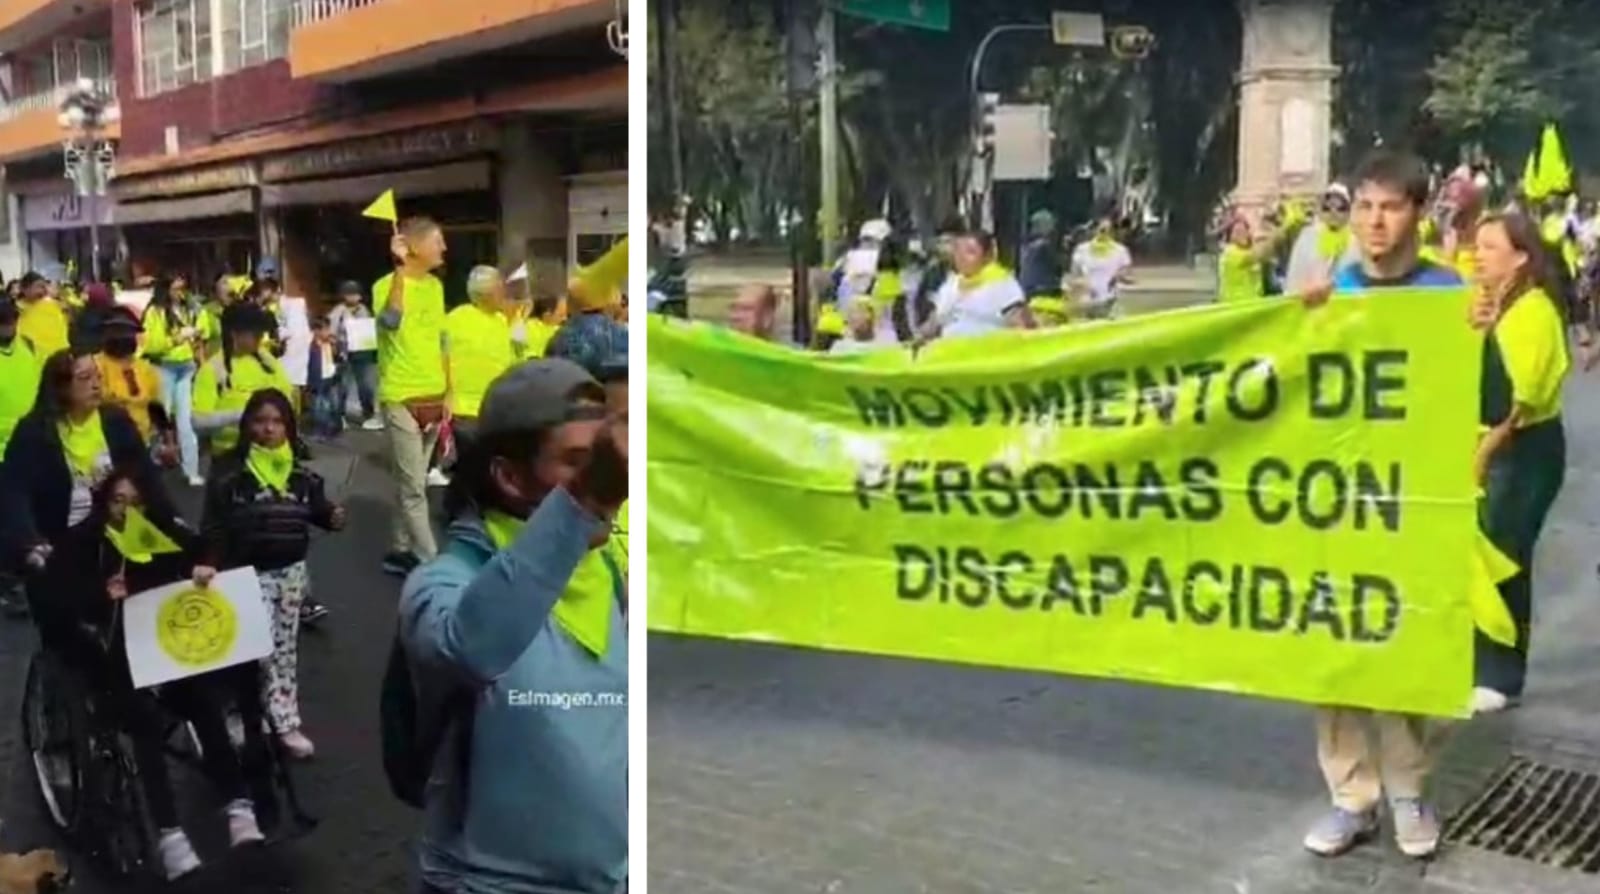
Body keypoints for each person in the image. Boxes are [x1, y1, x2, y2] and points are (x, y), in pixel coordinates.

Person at [399, 358, 626, 894]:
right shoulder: (443, 584)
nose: (606, 485)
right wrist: (583, 503)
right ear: (509, 476)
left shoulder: (609, 570)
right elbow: (468, 648)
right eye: (577, 463)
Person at [1298, 151, 1460, 861]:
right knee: (1335, 652)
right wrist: (1301, 326)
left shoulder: (1447, 294)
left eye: (1390, 206)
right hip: (1338, 506)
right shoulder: (1333, 291)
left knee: (1402, 645)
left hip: (1411, 505)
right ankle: (1350, 796)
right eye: (1364, 206)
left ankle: (1408, 790)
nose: (1374, 220)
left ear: (1418, 214)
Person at [34, 467, 269, 880]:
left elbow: (204, 547)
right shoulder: (82, 543)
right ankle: (169, 833)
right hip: (107, 659)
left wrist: (204, 567)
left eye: (135, 502)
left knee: (202, 701)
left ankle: (238, 805)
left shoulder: (160, 532)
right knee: (142, 721)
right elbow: (58, 599)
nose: (127, 510)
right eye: (118, 501)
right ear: (104, 503)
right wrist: (100, 595)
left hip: (162, 652)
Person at [201, 389, 345, 759]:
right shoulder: (230, 473)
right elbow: (214, 524)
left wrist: (330, 517)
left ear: (288, 427)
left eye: (277, 422)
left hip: (291, 575)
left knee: (283, 653)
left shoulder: (301, 474)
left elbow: (316, 509)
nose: (268, 429)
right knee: (251, 652)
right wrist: (210, 561)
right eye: (260, 421)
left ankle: (285, 723)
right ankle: (240, 717)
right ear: (247, 425)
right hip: (246, 575)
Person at [1465, 213, 1570, 714]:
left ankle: (1501, 675)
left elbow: (1518, 402)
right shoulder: (1498, 305)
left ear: (1521, 256)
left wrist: (1484, 454)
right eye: (1476, 245)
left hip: (1522, 451)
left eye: (1490, 246)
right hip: (1498, 445)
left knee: (1504, 557)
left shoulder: (1532, 311)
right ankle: (1483, 661)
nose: (1477, 253)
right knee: (1485, 554)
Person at [375, 217, 452, 578]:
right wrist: (399, 269)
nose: (444, 248)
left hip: (434, 396)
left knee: (414, 482)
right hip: (400, 396)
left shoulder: (436, 286)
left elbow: (442, 341)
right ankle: (432, 563)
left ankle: (399, 549)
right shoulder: (385, 285)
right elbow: (390, 321)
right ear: (414, 247)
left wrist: (448, 391)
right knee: (414, 488)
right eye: (438, 241)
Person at [193, 303, 295, 458]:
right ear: (234, 334)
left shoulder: (267, 362)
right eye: (255, 333)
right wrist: (240, 415)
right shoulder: (214, 369)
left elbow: (287, 397)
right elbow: (197, 421)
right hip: (231, 456)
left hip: (271, 454)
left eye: (262, 332)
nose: (261, 337)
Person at [444, 265, 517, 468]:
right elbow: (443, 356)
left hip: (497, 408)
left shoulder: (502, 320)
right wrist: (446, 393)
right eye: (500, 289)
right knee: (473, 467)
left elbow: (511, 356)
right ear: (487, 293)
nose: (504, 294)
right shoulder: (455, 319)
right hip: (466, 410)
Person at [142, 277, 205, 486]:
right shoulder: (154, 312)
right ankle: (152, 467)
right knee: (162, 420)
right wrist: (176, 339)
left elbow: (205, 326)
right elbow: (150, 345)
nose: (180, 292)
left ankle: (191, 471)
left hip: (186, 367)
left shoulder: (188, 308)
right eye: (176, 288)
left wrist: (196, 333)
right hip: (164, 367)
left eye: (183, 288)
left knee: (186, 422)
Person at [0, 297, 41, 618]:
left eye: (11, 321)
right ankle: (9, 581)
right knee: (9, 519)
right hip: (2, 451)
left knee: (29, 516)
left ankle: (23, 574)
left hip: (31, 447)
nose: (8, 327)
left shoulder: (26, 345)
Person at [919, 230, 1034, 342]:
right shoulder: (951, 284)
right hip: (949, 353)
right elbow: (934, 323)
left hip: (984, 353)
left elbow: (1022, 327)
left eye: (970, 252)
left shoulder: (1001, 284)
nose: (961, 258)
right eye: (958, 252)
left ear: (986, 257)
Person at [94, 308, 174, 459]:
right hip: (106, 445)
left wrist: (169, 442)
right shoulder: (95, 366)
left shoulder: (146, 369)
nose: (122, 336)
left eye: (127, 332)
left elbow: (156, 407)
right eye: (116, 331)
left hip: (142, 443)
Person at [1285, 183, 1361, 295]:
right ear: (1321, 211)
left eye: (1340, 208)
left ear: (1349, 211)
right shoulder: (1308, 237)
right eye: (1327, 208)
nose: (1333, 213)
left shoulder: (1356, 241)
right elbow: (1295, 274)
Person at [328, 280, 381, 431]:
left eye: (356, 294)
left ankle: (368, 413)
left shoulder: (364, 310)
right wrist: (335, 346)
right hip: (344, 353)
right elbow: (331, 331)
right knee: (342, 385)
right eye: (349, 294)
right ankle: (340, 416)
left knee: (366, 385)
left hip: (362, 353)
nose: (353, 298)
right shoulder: (338, 311)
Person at [1068, 218, 1133, 320]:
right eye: (1102, 230)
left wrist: (1119, 277)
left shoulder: (1121, 251)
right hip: (1088, 302)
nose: (1105, 233)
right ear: (1094, 230)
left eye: (1109, 230)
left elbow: (1126, 274)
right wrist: (1081, 285)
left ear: (1113, 232)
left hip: (1110, 301)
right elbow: (1074, 276)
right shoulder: (1082, 250)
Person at [1020, 210, 1067, 323]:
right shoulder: (1044, 246)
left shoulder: (1026, 246)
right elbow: (1059, 265)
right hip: (1043, 294)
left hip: (1028, 292)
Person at [306, 316, 343, 441]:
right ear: (316, 331)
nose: (328, 332)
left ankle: (332, 428)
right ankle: (320, 430)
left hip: (330, 377)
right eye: (325, 329)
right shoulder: (312, 346)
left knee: (332, 404)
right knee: (319, 406)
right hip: (318, 379)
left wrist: (335, 346)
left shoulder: (329, 343)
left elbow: (337, 357)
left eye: (328, 329)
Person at [16, 272, 69, 360]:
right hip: (31, 360)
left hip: (57, 359)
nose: (43, 290)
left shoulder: (53, 305)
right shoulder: (16, 309)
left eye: (44, 286)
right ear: (24, 289)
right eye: (38, 286)